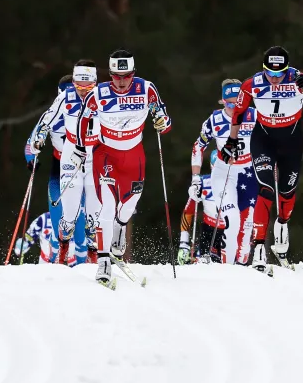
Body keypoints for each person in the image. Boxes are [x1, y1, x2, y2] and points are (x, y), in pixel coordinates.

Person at [224, 45, 303, 274]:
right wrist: (232, 141)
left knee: (287, 192)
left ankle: (281, 226)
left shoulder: (297, 78)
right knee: (264, 189)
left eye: (279, 74)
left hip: (291, 142)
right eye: (270, 74)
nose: (274, 79)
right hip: (263, 139)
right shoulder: (251, 84)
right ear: (263, 69)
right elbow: (238, 113)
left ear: (287, 69)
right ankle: (259, 247)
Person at [79, 49, 171, 286]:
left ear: (133, 73)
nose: (121, 81)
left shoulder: (147, 89)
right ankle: (103, 262)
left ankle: (120, 228)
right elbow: (83, 119)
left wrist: (162, 123)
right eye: (117, 76)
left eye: (126, 76)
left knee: (129, 203)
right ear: (110, 75)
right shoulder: (98, 93)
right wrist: (81, 148)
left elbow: (164, 120)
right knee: (107, 206)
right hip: (106, 154)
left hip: (134, 155)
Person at [27, 66, 97, 266]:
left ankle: (86, 265)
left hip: (88, 164)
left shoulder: (92, 108)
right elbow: (31, 141)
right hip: (61, 167)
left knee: (84, 222)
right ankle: (55, 263)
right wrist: (31, 158)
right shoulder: (57, 111)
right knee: (61, 218)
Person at [189, 79, 258, 265]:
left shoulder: (254, 115)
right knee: (232, 220)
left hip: (248, 172)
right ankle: (227, 269)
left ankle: (243, 264)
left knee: (247, 224)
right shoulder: (215, 120)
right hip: (223, 173)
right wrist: (196, 178)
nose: (234, 108)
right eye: (229, 103)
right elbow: (198, 147)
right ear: (222, 101)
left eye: (238, 103)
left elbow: (270, 142)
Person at [177, 173, 212, 264]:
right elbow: (187, 212)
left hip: (228, 232)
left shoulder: (236, 178)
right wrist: (183, 243)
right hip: (208, 231)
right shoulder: (203, 182)